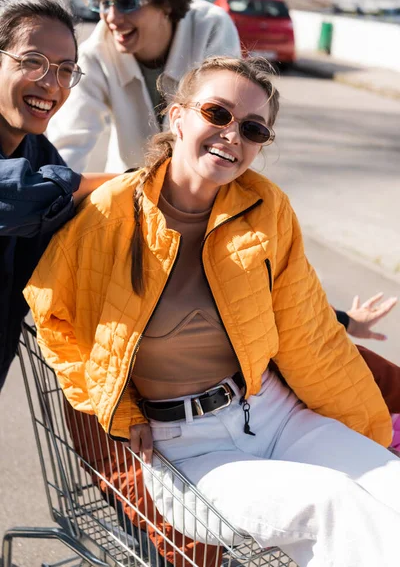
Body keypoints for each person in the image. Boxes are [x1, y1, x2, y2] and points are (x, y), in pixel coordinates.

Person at [25, 55, 400, 567]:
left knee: (391, 487)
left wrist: (362, 414)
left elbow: (305, 327)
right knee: (332, 506)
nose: (232, 135)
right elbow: (54, 319)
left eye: (252, 128)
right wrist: (123, 411)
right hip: (187, 451)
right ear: (178, 117)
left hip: (272, 413)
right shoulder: (108, 216)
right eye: (217, 114)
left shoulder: (267, 209)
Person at [0, 0, 115, 391]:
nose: (53, 84)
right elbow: (17, 196)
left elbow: (83, 221)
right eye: (34, 62)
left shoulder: (36, 147)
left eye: (66, 69)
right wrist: (128, 179)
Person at [47, 0, 242, 174]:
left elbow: (224, 119)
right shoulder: (96, 52)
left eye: (127, 3)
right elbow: (69, 142)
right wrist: (55, 194)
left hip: (204, 189)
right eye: (103, 3)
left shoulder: (211, 26)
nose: (112, 18)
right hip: (130, 190)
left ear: (165, 2)